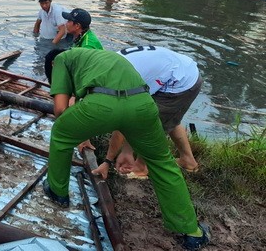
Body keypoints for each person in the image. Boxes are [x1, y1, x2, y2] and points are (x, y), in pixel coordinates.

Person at [43, 48, 210, 250]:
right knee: (162, 162)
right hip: (144, 105)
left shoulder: (60, 59)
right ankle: (192, 232)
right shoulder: (100, 58)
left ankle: (57, 191)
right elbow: (121, 105)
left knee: (60, 134)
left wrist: (73, 129)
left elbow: (61, 109)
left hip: (104, 106)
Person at [92, 46, 202, 178]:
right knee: (170, 118)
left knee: (151, 124)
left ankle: (141, 167)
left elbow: (124, 121)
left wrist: (109, 159)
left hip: (179, 81)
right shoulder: (108, 64)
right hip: (182, 68)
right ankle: (188, 160)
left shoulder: (121, 82)